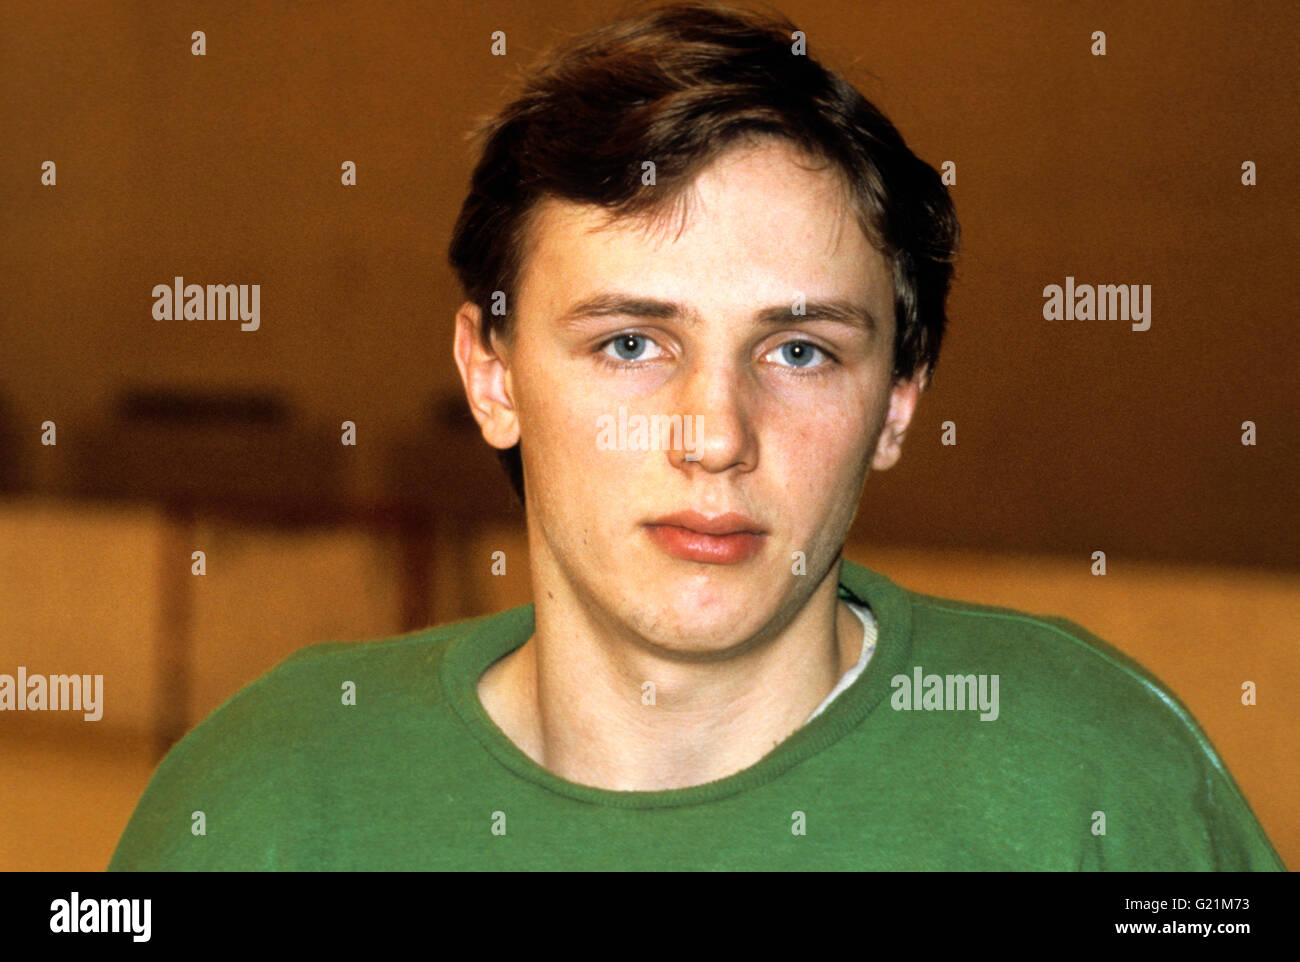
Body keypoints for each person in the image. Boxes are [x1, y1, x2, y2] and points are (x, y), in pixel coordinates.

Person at [109, 1, 1284, 871]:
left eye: (800, 349)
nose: (715, 434)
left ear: (897, 402)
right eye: (630, 342)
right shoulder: (263, 799)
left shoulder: (1100, 780)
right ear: (491, 372)